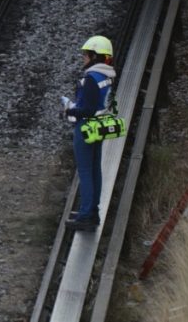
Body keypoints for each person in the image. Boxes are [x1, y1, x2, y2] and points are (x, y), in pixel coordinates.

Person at [60, 36, 117, 232]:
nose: (83, 57)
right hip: (99, 127)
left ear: (95, 56)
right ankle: (93, 212)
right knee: (94, 170)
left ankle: (85, 216)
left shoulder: (91, 78)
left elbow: (88, 109)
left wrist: (69, 110)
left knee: (85, 171)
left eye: (86, 54)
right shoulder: (107, 76)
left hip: (86, 127)